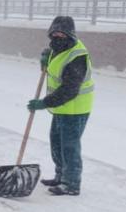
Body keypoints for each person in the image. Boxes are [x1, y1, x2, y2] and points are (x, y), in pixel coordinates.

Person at [26, 15, 94, 196]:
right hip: (61, 108)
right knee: (56, 143)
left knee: (69, 147)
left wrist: (44, 103)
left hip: (75, 109)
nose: (58, 37)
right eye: (54, 33)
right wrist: (45, 56)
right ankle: (60, 176)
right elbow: (52, 54)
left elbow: (69, 90)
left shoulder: (77, 56)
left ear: (70, 35)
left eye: (62, 34)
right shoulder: (57, 48)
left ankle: (71, 183)